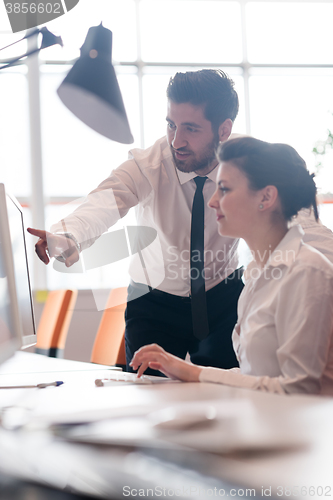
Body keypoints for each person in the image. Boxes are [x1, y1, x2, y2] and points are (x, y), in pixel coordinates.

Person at [28, 69, 245, 373]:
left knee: (231, 392)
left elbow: (291, 204)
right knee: (148, 395)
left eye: (191, 129)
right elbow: (105, 201)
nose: (176, 140)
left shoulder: (248, 161)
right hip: (154, 304)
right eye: (171, 125)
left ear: (224, 130)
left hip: (224, 297)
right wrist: (68, 235)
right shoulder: (151, 164)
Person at [130, 136, 333, 395]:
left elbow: (298, 388)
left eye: (223, 189)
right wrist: (183, 368)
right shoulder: (255, 275)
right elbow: (255, 375)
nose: (212, 201)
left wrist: (195, 372)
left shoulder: (307, 272)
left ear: (266, 197)